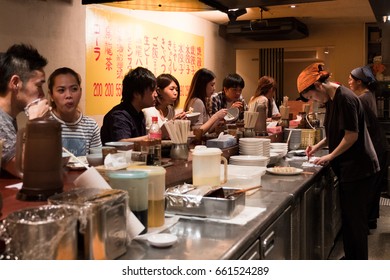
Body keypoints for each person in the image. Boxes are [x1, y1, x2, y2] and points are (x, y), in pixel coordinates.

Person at [300, 62, 379, 260]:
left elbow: (351, 135)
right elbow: (336, 131)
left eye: (311, 96)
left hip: (360, 169)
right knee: (350, 220)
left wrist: (329, 156)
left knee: (356, 222)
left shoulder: (346, 98)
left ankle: (358, 262)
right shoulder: (332, 99)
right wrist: (317, 147)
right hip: (350, 168)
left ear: (318, 86)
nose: (313, 101)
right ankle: (352, 257)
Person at [0, 44, 51, 178]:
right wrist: (35, 122)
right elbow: (23, 169)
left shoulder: (7, 117)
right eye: (38, 85)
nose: (42, 94)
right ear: (15, 82)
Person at [348, 65, 387, 230]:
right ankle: (370, 221)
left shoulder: (361, 99)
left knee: (370, 187)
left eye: (351, 79)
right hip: (379, 145)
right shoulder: (368, 94)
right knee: (373, 186)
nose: (349, 82)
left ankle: (366, 223)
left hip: (375, 146)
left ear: (359, 82)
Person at [47, 67, 102, 156]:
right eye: (61, 90)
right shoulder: (44, 124)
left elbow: (97, 162)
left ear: (80, 92)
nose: (68, 95)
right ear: (51, 96)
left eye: (74, 89)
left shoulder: (90, 126)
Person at [100, 67, 157, 144]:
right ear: (136, 93)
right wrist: (152, 137)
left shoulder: (139, 113)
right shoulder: (119, 116)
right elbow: (121, 143)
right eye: (152, 90)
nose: (156, 95)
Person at [183, 68, 227, 133]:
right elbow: (198, 131)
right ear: (202, 85)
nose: (214, 88)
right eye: (212, 85)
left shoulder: (198, 100)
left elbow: (207, 130)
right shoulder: (197, 102)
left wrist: (218, 120)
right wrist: (216, 116)